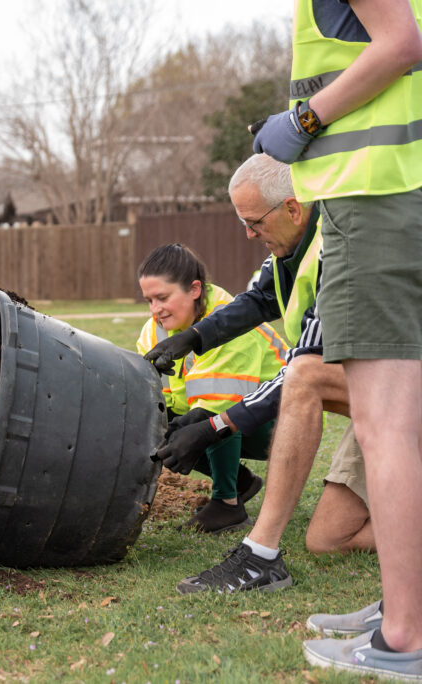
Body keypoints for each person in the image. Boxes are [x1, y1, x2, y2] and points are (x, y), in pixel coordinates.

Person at [249, 0, 422, 676]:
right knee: (401, 424)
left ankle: (405, 637)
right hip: (397, 194)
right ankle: (405, 603)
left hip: (377, 198)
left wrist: (302, 120)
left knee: (387, 427)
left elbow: (401, 44)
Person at [145, 155, 373, 596]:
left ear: (292, 208)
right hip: (380, 408)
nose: (248, 234)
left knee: (305, 374)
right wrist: (191, 338)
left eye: (254, 222)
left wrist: (215, 425)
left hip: (404, 391)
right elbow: (255, 301)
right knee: (328, 540)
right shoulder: (290, 251)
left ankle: (261, 556)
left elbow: (302, 371)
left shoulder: (342, 249)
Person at [137, 243, 287, 533]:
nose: (155, 310)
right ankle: (240, 482)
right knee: (160, 425)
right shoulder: (152, 332)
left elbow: (223, 404)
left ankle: (226, 504)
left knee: (212, 413)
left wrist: (183, 428)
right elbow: (162, 404)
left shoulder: (232, 321)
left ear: (194, 290)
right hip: (234, 418)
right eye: (149, 301)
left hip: (280, 422)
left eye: (162, 298)